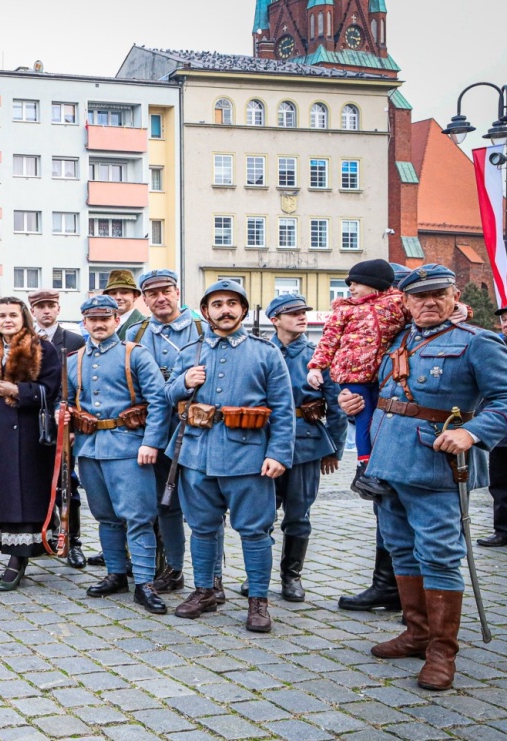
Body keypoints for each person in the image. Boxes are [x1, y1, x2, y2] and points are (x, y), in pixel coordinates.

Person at [340, 264, 507, 691]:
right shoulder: (399, 339)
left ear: (454, 297)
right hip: (387, 462)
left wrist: (472, 432)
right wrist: (353, 402)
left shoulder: (477, 342)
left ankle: (441, 651)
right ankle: (416, 633)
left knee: (438, 555)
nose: (428, 303)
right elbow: (384, 393)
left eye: (438, 294)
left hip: (437, 467)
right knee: (400, 548)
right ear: (407, 301)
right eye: (419, 296)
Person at [164, 279, 294, 632]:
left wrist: (279, 453)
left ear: (242, 309)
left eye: (232, 303)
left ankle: (258, 602)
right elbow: (166, 396)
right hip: (196, 453)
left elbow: (283, 408)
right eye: (217, 303)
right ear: (206, 311)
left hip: (248, 456)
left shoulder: (265, 352)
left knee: (254, 531)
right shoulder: (190, 351)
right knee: (203, 529)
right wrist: (183, 383)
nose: (225, 309)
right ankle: (205, 591)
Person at [237, 295, 345, 602]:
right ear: (275, 319)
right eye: (292, 313)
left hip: (306, 445)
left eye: (303, 312)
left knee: (298, 514)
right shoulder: (258, 353)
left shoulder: (317, 358)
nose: (300, 317)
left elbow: (336, 407)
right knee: (261, 515)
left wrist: (333, 449)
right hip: (263, 444)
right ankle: (257, 574)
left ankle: (291, 577)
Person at [66, 295, 170, 612]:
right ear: (84, 323)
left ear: (115, 321)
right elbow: (70, 401)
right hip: (90, 449)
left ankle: (144, 583)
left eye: (105, 318)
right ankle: (116, 574)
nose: (99, 324)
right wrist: (66, 418)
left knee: (138, 518)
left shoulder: (134, 354)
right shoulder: (74, 360)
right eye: (92, 319)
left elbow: (158, 400)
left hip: (129, 447)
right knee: (106, 517)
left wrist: (151, 443)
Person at [123, 268, 207, 593]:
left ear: (177, 292)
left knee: (203, 507)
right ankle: (173, 568)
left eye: (166, 291)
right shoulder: (137, 331)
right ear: (144, 299)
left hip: (197, 428)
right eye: (152, 293)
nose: (160, 298)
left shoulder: (202, 327)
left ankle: (210, 578)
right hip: (154, 433)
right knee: (165, 505)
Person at [0, 296, 62, 591]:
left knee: (25, 493)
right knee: (2, 493)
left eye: (13, 314)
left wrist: (19, 390)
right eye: (2, 316)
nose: (7, 320)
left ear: (24, 317)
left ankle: (18, 558)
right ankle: (4, 548)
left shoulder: (42, 348)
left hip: (29, 435)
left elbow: (53, 388)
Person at [307, 259, 406, 497]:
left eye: (356, 283)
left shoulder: (396, 303)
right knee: (365, 417)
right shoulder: (345, 309)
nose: (350, 288)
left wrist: (461, 311)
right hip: (353, 373)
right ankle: (364, 467)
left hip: (383, 373)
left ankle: (379, 466)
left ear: (374, 284)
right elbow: (329, 340)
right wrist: (316, 367)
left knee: (381, 418)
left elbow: (422, 312)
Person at [29, 289, 87, 568]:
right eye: (41, 307)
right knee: (39, 482)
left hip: (64, 421)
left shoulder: (74, 340)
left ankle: (73, 541)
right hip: (34, 420)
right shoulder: (25, 340)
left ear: (59, 309)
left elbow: (78, 384)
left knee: (68, 484)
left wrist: (73, 421)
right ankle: (49, 534)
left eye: (51, 306)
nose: (46, 311)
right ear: (33, 312)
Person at [478, 306, 507, 548]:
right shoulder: (494, 347)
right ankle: (502, 531)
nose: (505, 323)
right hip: (500, 432)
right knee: (499, 484)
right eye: (504, 320)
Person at [102, 270, 145, 340]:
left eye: (124, 292)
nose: (118, 297)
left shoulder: (144, 324)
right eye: (113, 293)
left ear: (135, 296)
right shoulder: (103, 323)